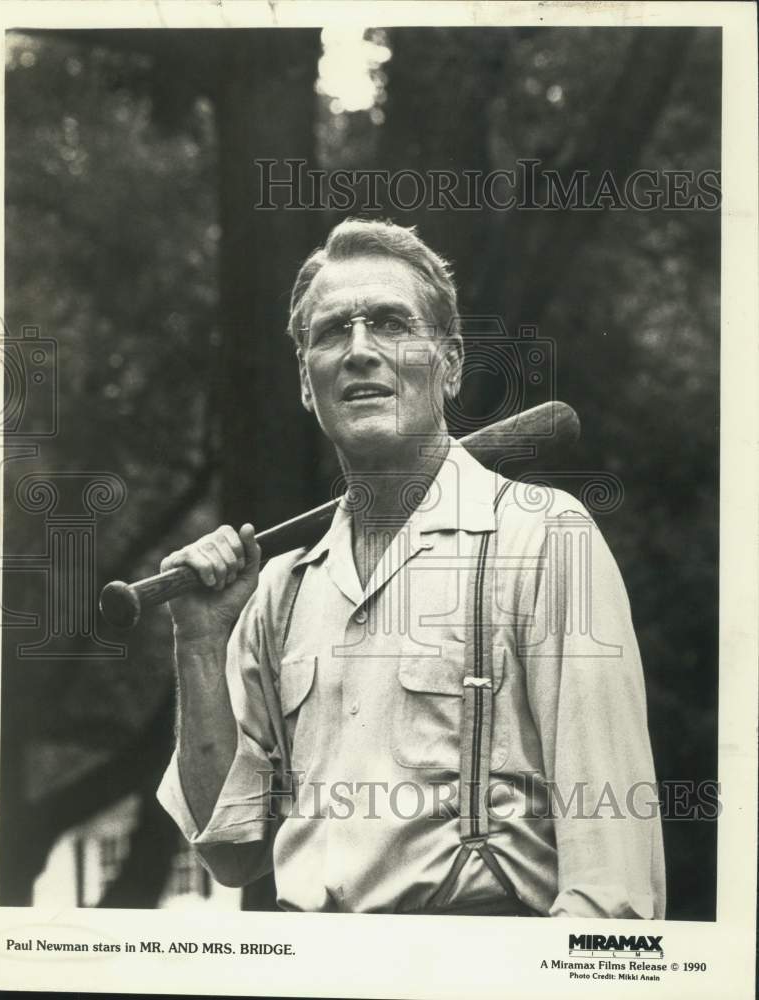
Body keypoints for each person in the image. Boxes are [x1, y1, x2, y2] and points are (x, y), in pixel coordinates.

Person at [157, 217, 665, 917]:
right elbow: (230, 850)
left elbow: (614, 877)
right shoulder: (283, 590)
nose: (361, 350)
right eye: (333, 332)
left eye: (392, 323)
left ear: (450, 363)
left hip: (480, 972)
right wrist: (200, 641)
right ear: (307, 383)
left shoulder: (543, 540)